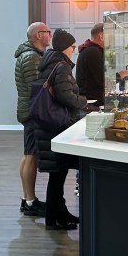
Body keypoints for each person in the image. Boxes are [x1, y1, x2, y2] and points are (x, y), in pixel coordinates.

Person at [35, 29, 87, 230]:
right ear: (66, 47)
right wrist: (83, 101)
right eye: (73, 47)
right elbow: (65, 96)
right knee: (58, 174)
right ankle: (54, 219)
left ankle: (60, 213)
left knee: (58, 174)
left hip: (48, 124)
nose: (74, 50)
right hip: (58, 124)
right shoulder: (62, 65)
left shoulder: (49, 62)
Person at [13, 21, 51, 217]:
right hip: (32, 112)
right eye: (48, 32)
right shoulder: (31, 57)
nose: (50, 35)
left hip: (29, 110)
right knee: (31, 156)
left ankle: (28, 199)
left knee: (29, 154)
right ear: (38, 35)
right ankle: (30, 202)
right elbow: (37, 88)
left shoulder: (33, 55)